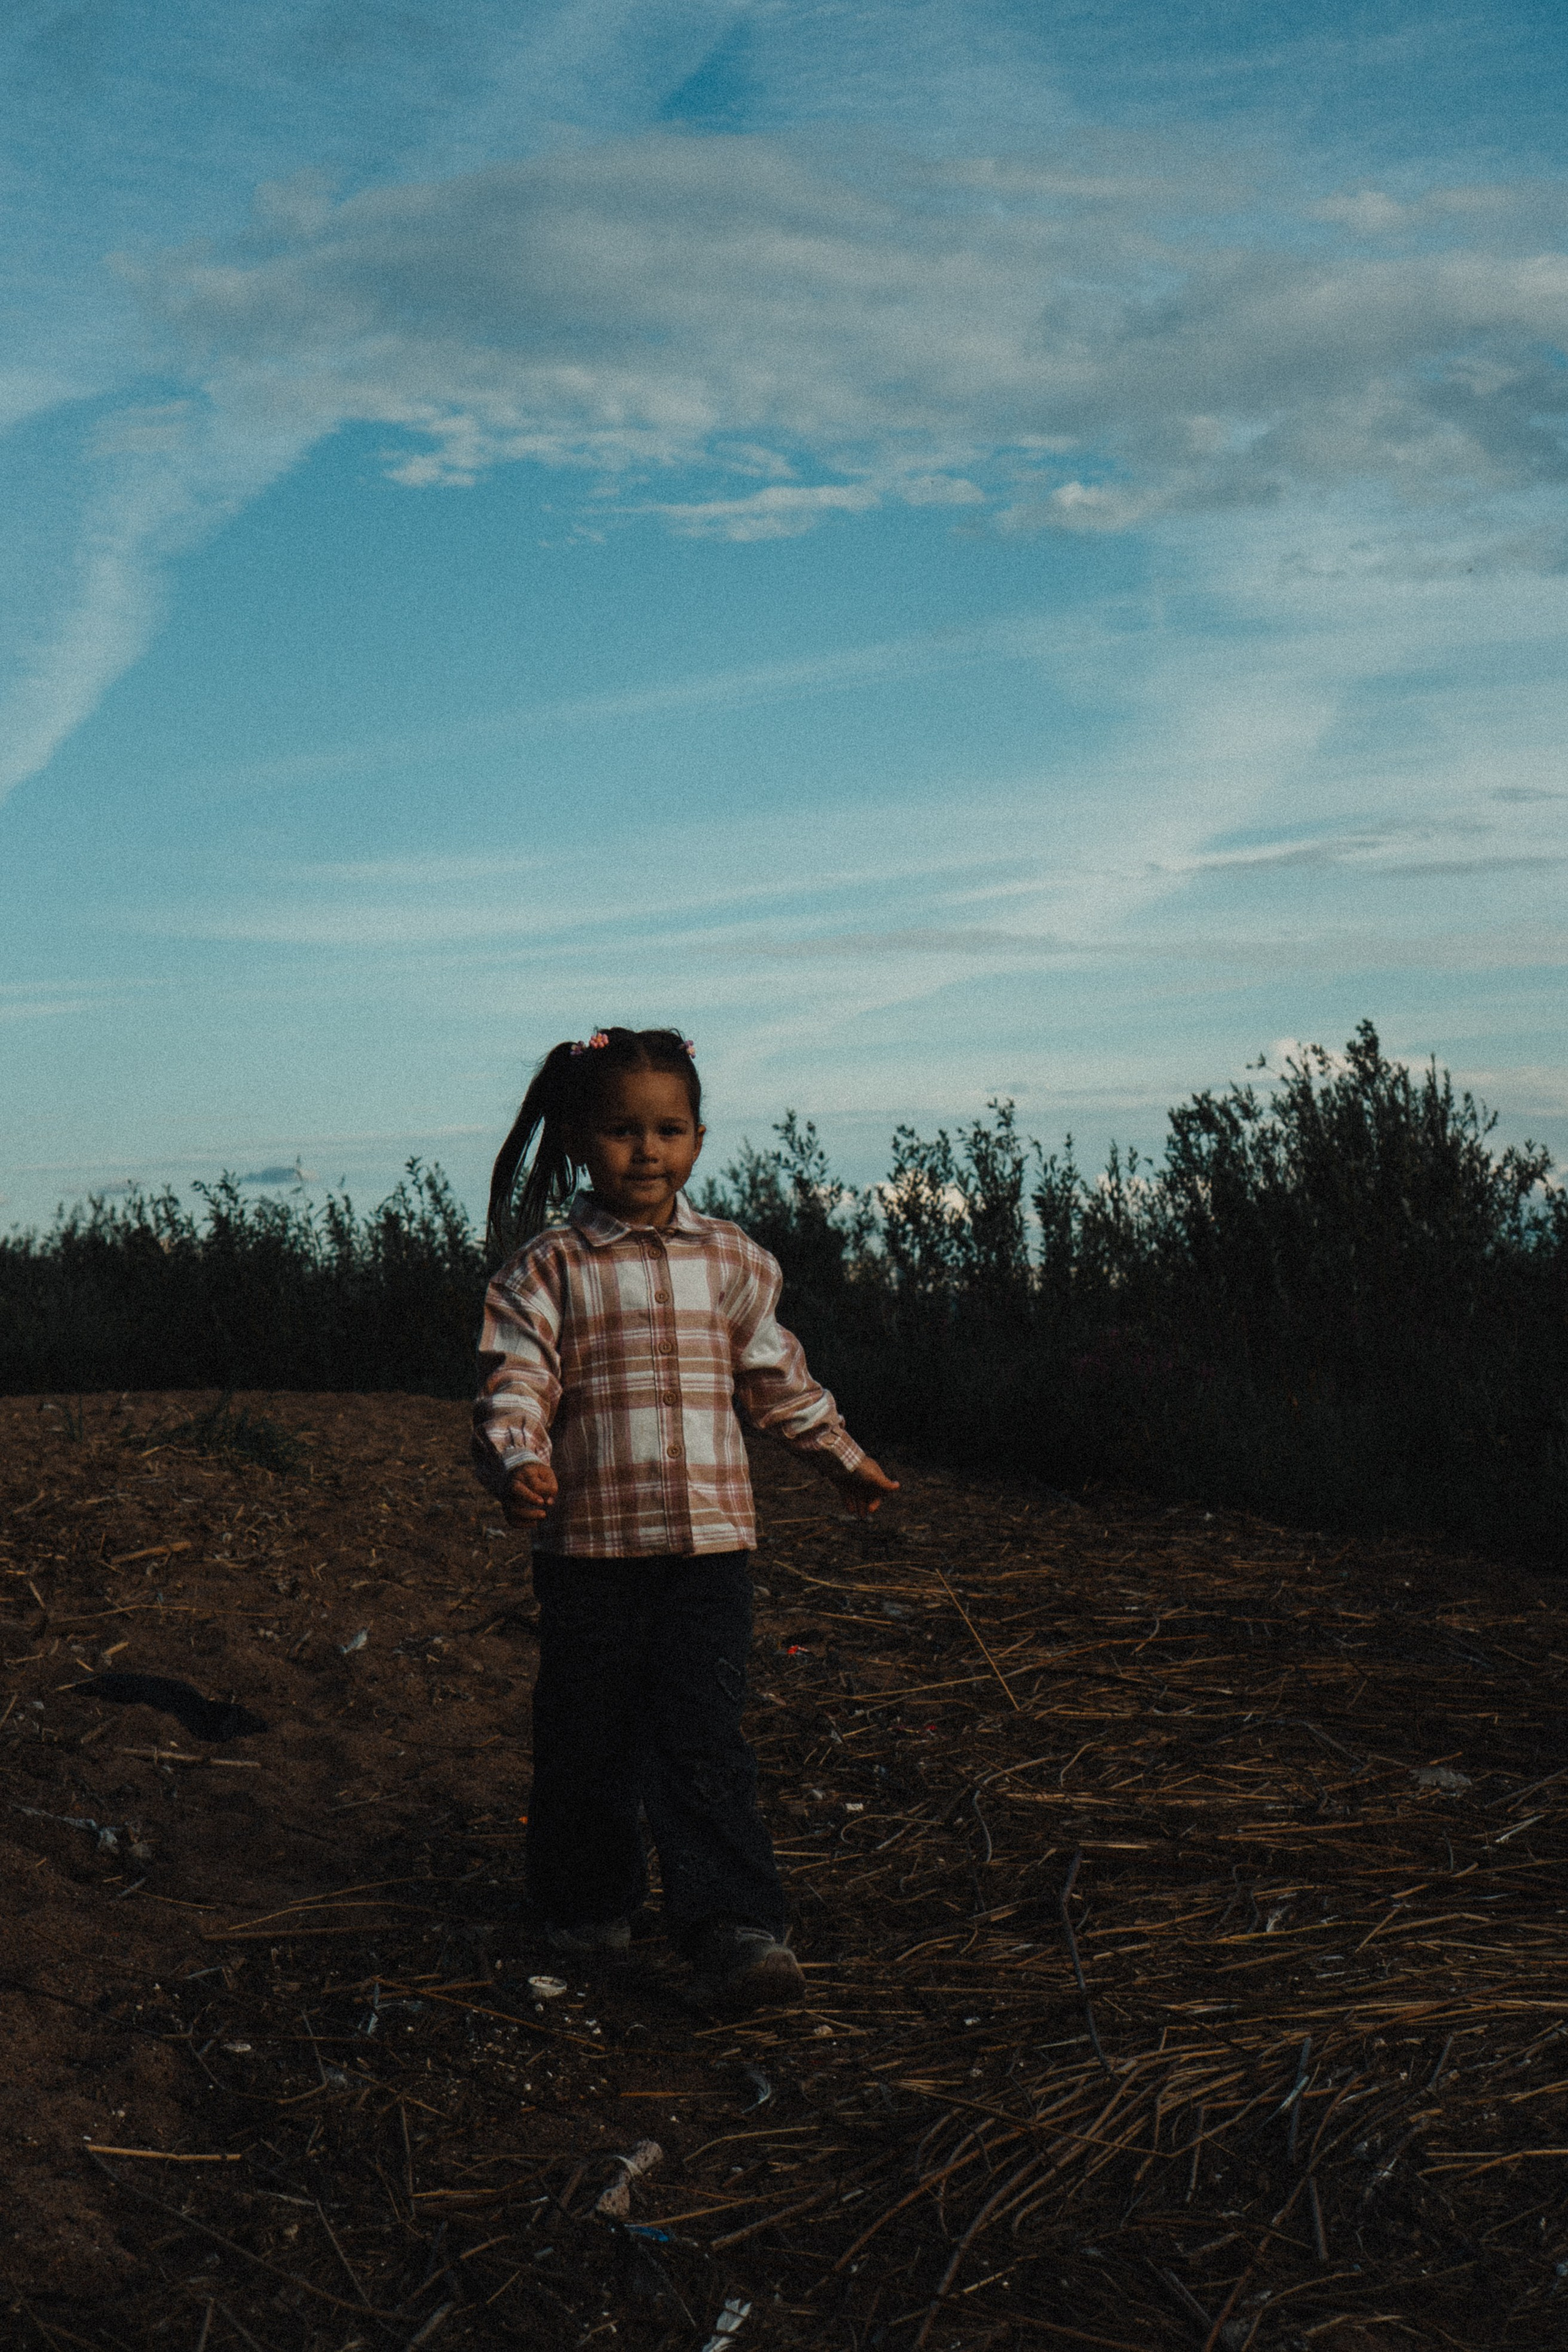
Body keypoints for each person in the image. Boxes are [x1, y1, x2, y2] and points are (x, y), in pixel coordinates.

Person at [472, 1025, 897, 2008]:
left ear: (699, 1140)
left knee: (703, 1734)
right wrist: (520, 1462)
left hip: (708, 1553)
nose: (647, 1150)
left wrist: (841, 1456)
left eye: (669, 1130)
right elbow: (515, 1381)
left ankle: (734, 1926)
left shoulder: (734, 1262)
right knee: (588, 1733)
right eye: (623, 1130)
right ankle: (584, 1909)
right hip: (590, 1551)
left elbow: (777, 1379)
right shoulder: (546, 1269)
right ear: (583, 1139)